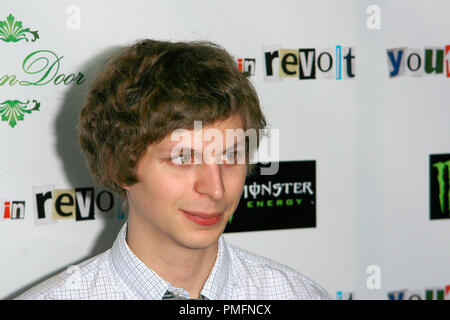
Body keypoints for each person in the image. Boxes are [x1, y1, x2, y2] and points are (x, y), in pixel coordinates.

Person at [16, 39, 329, 300]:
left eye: (231, 156)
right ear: (120, 165)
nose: (215, 188)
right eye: (183, 158)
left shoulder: (297, 294)